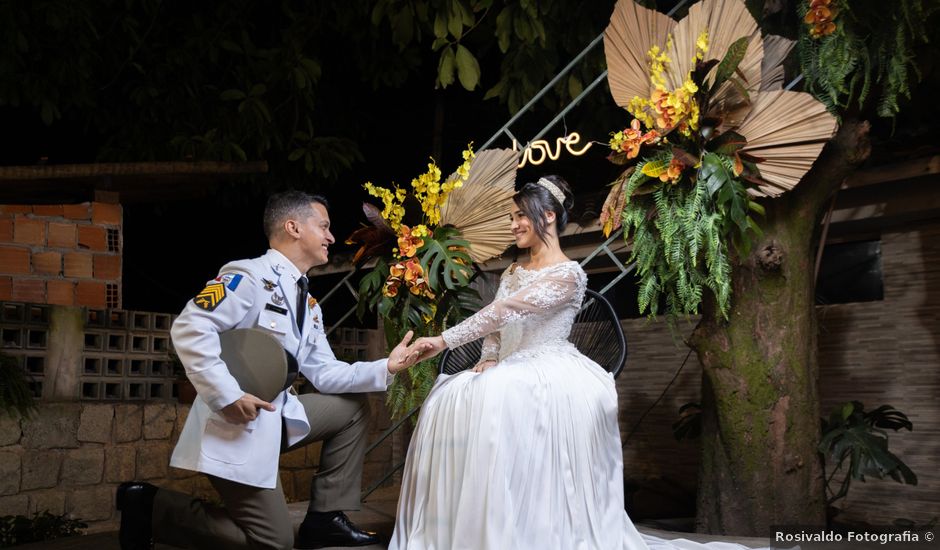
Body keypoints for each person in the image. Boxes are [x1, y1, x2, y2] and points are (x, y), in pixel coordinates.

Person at [391, 176, 768, 550]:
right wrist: (488, 357)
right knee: (449, 393)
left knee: (497, 393)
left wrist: (444, 340)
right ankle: (465, 531)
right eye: (511, 217)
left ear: (549, 216)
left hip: (550, 365)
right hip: (508, 364)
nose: (514, 225)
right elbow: (495, 324)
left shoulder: (569, 275)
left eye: (521, 215)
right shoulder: (511, 272)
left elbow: (505, 310)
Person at [116, 190, 429, 550]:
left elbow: (325, 372)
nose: (331, 237)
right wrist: (227, 395)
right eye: (324, 226)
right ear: (293, 227)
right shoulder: (248, 276)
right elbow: (190, 328)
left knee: (352, 409)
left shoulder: (307, 302)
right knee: (274, 543)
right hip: (236, 420)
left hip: (275, 416)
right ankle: (150, 506)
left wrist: (387, 366)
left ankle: (325, 519)